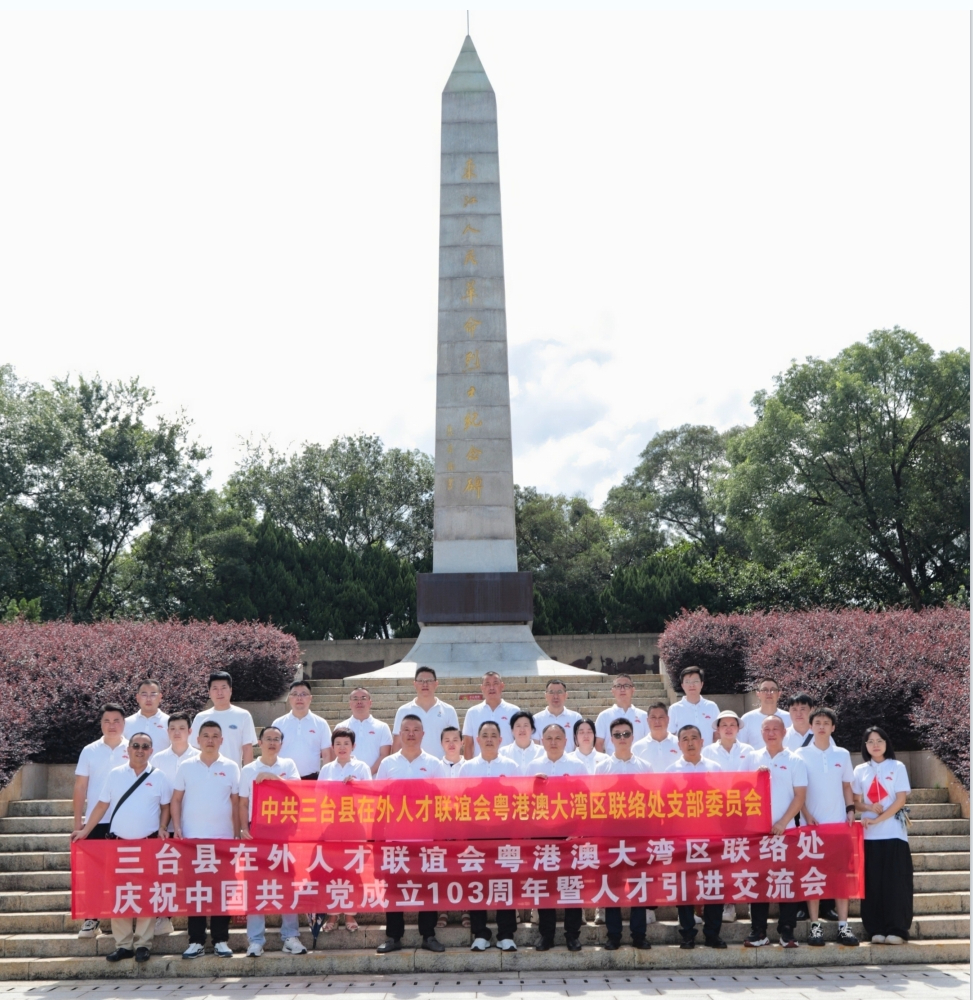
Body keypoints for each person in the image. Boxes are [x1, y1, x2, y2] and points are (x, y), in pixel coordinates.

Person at [71, 731, 170, 963]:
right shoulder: (115, 775)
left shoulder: (160, 776)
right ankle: (123, 944)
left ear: (151, 751)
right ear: (128, 750)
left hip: (147, 844)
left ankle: (143, 944)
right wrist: (84, 830)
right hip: (119, 846)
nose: (140, 749)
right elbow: (101, 805)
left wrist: (164, 826)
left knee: (145, 895)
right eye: (136, 745)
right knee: (120, 894)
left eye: (145, 746)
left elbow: (166, 806)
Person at [375, 715, 446, 953]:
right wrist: (378, 839)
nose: (411, 734)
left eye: (416, 729)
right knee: (393, 889)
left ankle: (428, 934)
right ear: (400, 734)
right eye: (406, 729)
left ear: (424, 734)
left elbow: (444, 800)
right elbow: (379, 802)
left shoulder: (435, 763)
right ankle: (393, 936)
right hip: (395, 838)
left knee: (428, 888)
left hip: (426, 838)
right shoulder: (388, 764)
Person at [171, 720, 241, 958]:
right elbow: (176, 799)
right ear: (197, 740)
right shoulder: (186, 765)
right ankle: (196, 941)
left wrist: (237, 832)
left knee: (223, 891)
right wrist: (177, 827)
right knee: (196, 891)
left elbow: (236, 802)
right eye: (206, 735)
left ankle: (221, 939)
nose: (210, 740)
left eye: (215, 736)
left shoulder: (232, 767)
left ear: (222, 740)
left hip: (223, 839)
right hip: (193, 839)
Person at [238, 726, 305, 957]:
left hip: (283, 832)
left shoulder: (288, 765)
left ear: (281, 744)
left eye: (277, 739)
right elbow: (243, 803)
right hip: (256, 834)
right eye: (268, 739)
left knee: (287, 884)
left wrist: (272, 778)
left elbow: (298, 793)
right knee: (255, 886)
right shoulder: (248, 769)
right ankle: (255, 940)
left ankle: (290, 936)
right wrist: (242, 828)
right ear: (259, 742)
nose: (272, 742)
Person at [796, 707, 859, 947]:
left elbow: (846, 786)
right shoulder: (800, 755)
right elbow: (798, 790)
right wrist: (807, 815)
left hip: (838, 826)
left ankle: (844, 926)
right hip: (812, 826)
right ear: (811, 726)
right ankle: (815, 927)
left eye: (826, 722)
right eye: (818, 722)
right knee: (814, 877)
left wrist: (850, 810)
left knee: (841, 878)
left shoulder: (842, 754)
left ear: (833, 727)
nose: (822, 726)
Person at [744, 715, 807, 949]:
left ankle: (787, 929)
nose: (771, 733)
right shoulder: (751, 758)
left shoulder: (795, 760)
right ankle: (758, 930)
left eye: (775, 729)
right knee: (758, 881)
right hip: (757, 833)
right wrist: (754, 778)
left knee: (786, 881)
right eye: (766, 729)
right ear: (761, 733)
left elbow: (800, 796)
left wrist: (782, 822)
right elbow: (739, 791)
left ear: (784, 732)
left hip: (787, 831)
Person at [459, 721, 520, 952]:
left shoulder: (512, 766)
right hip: (476, 836)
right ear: (477, 739)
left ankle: (506, 933)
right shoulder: (468, 768)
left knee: (504, 883)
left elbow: (518, 801)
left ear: (501, 740)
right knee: (478, 884)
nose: (489, 739)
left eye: (494, 735)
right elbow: (463, 804)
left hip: (504, 835)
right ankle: (480, 933)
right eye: (484, 735)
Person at [526, 724, 586, 951]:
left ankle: (572, 934)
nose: (553, 742)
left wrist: (580, 831)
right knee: (545, 886)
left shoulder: (577, 765)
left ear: (566, 740)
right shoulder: (533, 766)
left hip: (570, 836)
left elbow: (585, 800)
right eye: (548, 737)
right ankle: (546, 934)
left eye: (558, 737)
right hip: (542, 835)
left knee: (571, 884)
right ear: (541, 740)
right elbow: (525, 803)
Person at [852, 726, 913, 946]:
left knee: (895, 883)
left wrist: (878, 819)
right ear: (865, 746)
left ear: (886, 743)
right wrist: (868, 807)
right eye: (870, 741)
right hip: (869, 837)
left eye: (879, 740)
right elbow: (855, 801)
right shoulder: (860, 770)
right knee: (873, 883)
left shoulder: (897, 766)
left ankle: (897, 928)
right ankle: (875, 928)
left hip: (894, 833)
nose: (875, 745)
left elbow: (900, 800)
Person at [73, 703, 130, 939]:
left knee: (127, 872)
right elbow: (80, 786)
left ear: (124, 723)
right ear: (101, 724)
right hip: (96, 822)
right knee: (94, 873)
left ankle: (128, 917)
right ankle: (92, 918)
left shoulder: (135, 747)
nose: (112, 725)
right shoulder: (90, 750)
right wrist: (79, 823)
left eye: (116, 721)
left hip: (127, 822)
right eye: (107, 721)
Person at [666, 726, 725, 949]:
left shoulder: (715, 769)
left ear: (702, 741)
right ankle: (688, 932)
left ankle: (712, 933)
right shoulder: (671, 772)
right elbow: (665, 808)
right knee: (685, 888)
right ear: (679, 744)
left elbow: (724, 803)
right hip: (682, 839)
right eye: (685, 739)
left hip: (711, 837)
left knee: (714, 886)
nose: (690, 743)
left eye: (694, 738)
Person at [596, 719, 652, 951]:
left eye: (626, 734)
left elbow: (651, 801)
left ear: (633, 737)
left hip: (638, 834)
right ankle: (614, 935)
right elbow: (596, 802)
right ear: (610, 738)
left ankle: (639, 935)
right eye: (617, 734)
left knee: (638, 884)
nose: (622, 738)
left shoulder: (645, 767)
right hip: (611, 835)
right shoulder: (602, 768)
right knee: (613, 885)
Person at [312, 727, 372, 939]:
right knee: (333, 871)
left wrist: (355, 787)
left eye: (346, 743)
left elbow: (370, 795)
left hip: (355, 825)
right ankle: (332, 914)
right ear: (333, 746)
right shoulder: (327, 769)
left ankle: (350, 914)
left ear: (353, 746)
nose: (342, 747)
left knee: (352, 870)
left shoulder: (362, 767)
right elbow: (318, 798)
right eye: (338, 744)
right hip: (331, 825)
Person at [145, 709, 197, 937]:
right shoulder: (157, 759)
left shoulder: (198, 757)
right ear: (167, 732)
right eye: (173, 729)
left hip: (194, 823)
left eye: (182, 728)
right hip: (163, 824)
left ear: (190, 731)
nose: (177, 733)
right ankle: (164, 918)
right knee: (164, 872)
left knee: (195, 872)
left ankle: (197, 917)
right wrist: (161, 825)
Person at [190, 671, 257, 768]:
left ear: (230, 690)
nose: (219, 692)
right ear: (209, 693)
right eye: (215, 688)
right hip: (206, 773)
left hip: (233, 774)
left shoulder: (243, 715)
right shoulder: (201, 718)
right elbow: (195, 749)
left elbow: (247, 748)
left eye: (223, 688)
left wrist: (247, 775)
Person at [392, 666, 459, 758]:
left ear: (436, 684)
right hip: (412, 766)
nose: (425, 684)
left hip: (440, 767)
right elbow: (397, 744)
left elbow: (455, 742)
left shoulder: (448, 711)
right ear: (415, 684)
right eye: (421, 681)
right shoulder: (403, 711)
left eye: (429, 681)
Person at [271, 679, 332, 780]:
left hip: (311, 779)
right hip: (283, 778)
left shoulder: (321, 723)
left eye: (304, 694)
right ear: (289, 698)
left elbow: (326, 754)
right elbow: (272, 751)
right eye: (295, 694)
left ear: (310, 698)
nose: (299, 698)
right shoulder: (278, 723)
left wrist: (326, 779)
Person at [461, 671, 519, 759]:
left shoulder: (514, 711)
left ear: (502, 686)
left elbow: (519, 742)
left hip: (507, 766)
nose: (491, 687)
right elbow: (468, 745)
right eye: (487, 684)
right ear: (482, 688)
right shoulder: (472, 712)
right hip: (480, 767)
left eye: (495, 683)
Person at [337, 686, 392, 775]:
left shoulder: (382, 727)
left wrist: (366, 775)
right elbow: (337, 754)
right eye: (355, 699)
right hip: (347, 780)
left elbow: (384, 755)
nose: (359, 702)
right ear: (350, 703)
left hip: (374, 780)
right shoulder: (341, 727)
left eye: (363, 698)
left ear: (370, 703)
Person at [595, 675, 648, 753]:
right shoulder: (604, 716)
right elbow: (598, 743)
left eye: (626, 686)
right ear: (613, 691)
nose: (622, 689)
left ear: (633, 690)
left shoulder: (644, 716)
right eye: (618, 686)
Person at [666, 667, 719, 740]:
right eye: (687, 682)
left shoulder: (712, 706)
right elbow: (671, 735)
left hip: (707, 751)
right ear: (682, 686)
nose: (691, 685)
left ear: (701, 684)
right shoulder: (674, 709)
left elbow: (717, 734)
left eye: (695, 681)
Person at [738, 677, 790, 750]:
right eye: (765, 690)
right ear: (758, 694)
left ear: (779, 694)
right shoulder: (747, 719)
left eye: (773, 690)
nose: (769, 693)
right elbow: (740, 748)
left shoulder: (789, 718)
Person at [531, 680, 582, 752]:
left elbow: (579, 744)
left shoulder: (576, 718)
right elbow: (535, 746)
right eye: (551, 692)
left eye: (559, 692)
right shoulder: (536, 719)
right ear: (545, 695)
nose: (555, 696)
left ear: (566, 695)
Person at [123, 678, 170, 753]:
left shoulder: (169, 723)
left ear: (160, 697)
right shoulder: (126, 723)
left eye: (153, 695)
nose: (148, 699)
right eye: (144, 695)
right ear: (137, 698)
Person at [633, 702, 681, 772]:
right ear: (647, 720)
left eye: (661, 717)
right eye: (653, 717)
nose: (657, 721)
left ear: (668, 719)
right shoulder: (637, 747)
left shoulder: (680, 744)